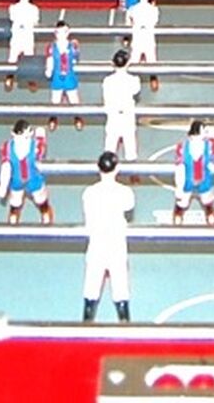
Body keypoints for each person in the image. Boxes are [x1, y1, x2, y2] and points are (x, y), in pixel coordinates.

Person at [81, 150, 135, 322]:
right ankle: (125, 326)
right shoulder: (125, 192)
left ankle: (86, 326)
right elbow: (129, 206)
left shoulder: (89, 192)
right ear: (116, 169)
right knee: (121, 289)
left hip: (96, 242)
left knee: (91, 289)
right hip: (116, 243)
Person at [0, 119, 54, 224]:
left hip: (34, 179)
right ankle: (13, 218)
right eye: (18, 137)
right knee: (15, 203)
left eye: (25, 137)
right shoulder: (8, 148)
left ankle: (45, 214)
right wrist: (3, 185)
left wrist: (41, 138)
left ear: (30, 135)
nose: (21, 141)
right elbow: (6, 167)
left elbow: (41, 151)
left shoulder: (35, 147)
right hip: (16, 181)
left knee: (41, 200)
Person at [170, 120, 214, 225]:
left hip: (204, 181)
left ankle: (212, 224)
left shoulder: (208, 146)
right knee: (181, 206)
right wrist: (179, 187)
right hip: (187, 181)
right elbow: (180, 169)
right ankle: (177, 224)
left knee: (208, 205)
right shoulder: (183, 148)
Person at [101, 49, 143, 162]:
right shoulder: (133, 80)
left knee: (110, 145)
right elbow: (136, 91)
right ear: (128, 63)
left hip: (113, 115)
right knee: (130, 146)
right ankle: (132, 168)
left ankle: (108, 164)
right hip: (127, 115)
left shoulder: (107, 80)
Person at [45, 20, 84, 131]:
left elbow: (75, 59)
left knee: (73, 98)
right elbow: (50, 59)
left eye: (64, 32)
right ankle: (53, 117)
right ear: (55, 33)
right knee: (55, 99)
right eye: (59, 32)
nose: (62, 35)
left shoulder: (73, 46)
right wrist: (49, 69)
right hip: (57, 76)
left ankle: (78, 116)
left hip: (69, 76)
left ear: (68, 32)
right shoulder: (51, 47)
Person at [4, 0, 40, 92]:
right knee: (29, 57)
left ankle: (9, 78)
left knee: (12, 57)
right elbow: (35, 21)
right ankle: (31, 80)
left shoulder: (13, 8)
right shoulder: (34, 9)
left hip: (17, 35)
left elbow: (12, 18)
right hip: (27, 35)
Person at [124, 0, 161, 91]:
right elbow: (155, 21)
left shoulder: (132, 9)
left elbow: (128, 24)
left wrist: (127, 37)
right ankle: (153, 80)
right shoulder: (154, 10)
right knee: (152, 60)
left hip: (137, 37)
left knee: (134, 60)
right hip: (149, 37)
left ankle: (130, 83)